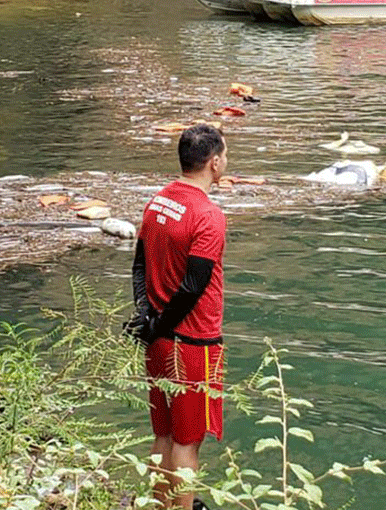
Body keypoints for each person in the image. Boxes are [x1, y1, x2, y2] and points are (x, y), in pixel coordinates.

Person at [127, 124, 229, 510]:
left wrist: (147, 317)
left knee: (164, 435)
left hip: (157, 339)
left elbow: (138, 265)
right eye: (226, 156)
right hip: (193, 343)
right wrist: (162, 323)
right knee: (188, 442)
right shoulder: (208, 215)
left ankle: (160, 506)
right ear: (214, 162)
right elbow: (194, 285)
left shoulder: (158, 202)